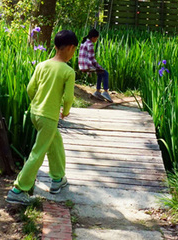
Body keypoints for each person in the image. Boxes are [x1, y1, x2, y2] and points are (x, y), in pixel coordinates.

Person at [6, 30, 78, 205]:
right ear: (70, 48)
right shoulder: (68, 71)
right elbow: (68, 98)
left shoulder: (41, 65)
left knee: (55, 141)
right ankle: (18, 189)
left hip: (35, 113)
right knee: (38, 152)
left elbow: (31, 89)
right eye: (74, 50)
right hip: (49, 116)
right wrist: (66, 111)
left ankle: (58, 178)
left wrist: (38, 104)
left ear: (55, 46)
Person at [78, 28, 112, 102]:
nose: (96, 40)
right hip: (87, 65)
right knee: (105, 73)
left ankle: (98, 91)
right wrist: (99, 67)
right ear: (93, 37)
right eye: (96, 38)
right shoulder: (90, 44)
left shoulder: (84, 42)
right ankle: (105, 92)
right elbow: (91, 59)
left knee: (100, 72)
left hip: (81, 65)